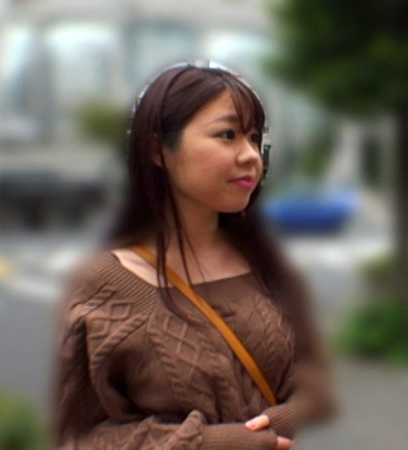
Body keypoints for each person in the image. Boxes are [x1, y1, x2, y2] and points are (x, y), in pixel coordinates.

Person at [55, 62, 334, 449]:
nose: (251, 155)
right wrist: (214, 444)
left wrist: (285, 418)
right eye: (228, 134)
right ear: (157, 150)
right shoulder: (103, 285)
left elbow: (313, 378)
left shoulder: (267, 267)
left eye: (254, 138)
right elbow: (79, 435)